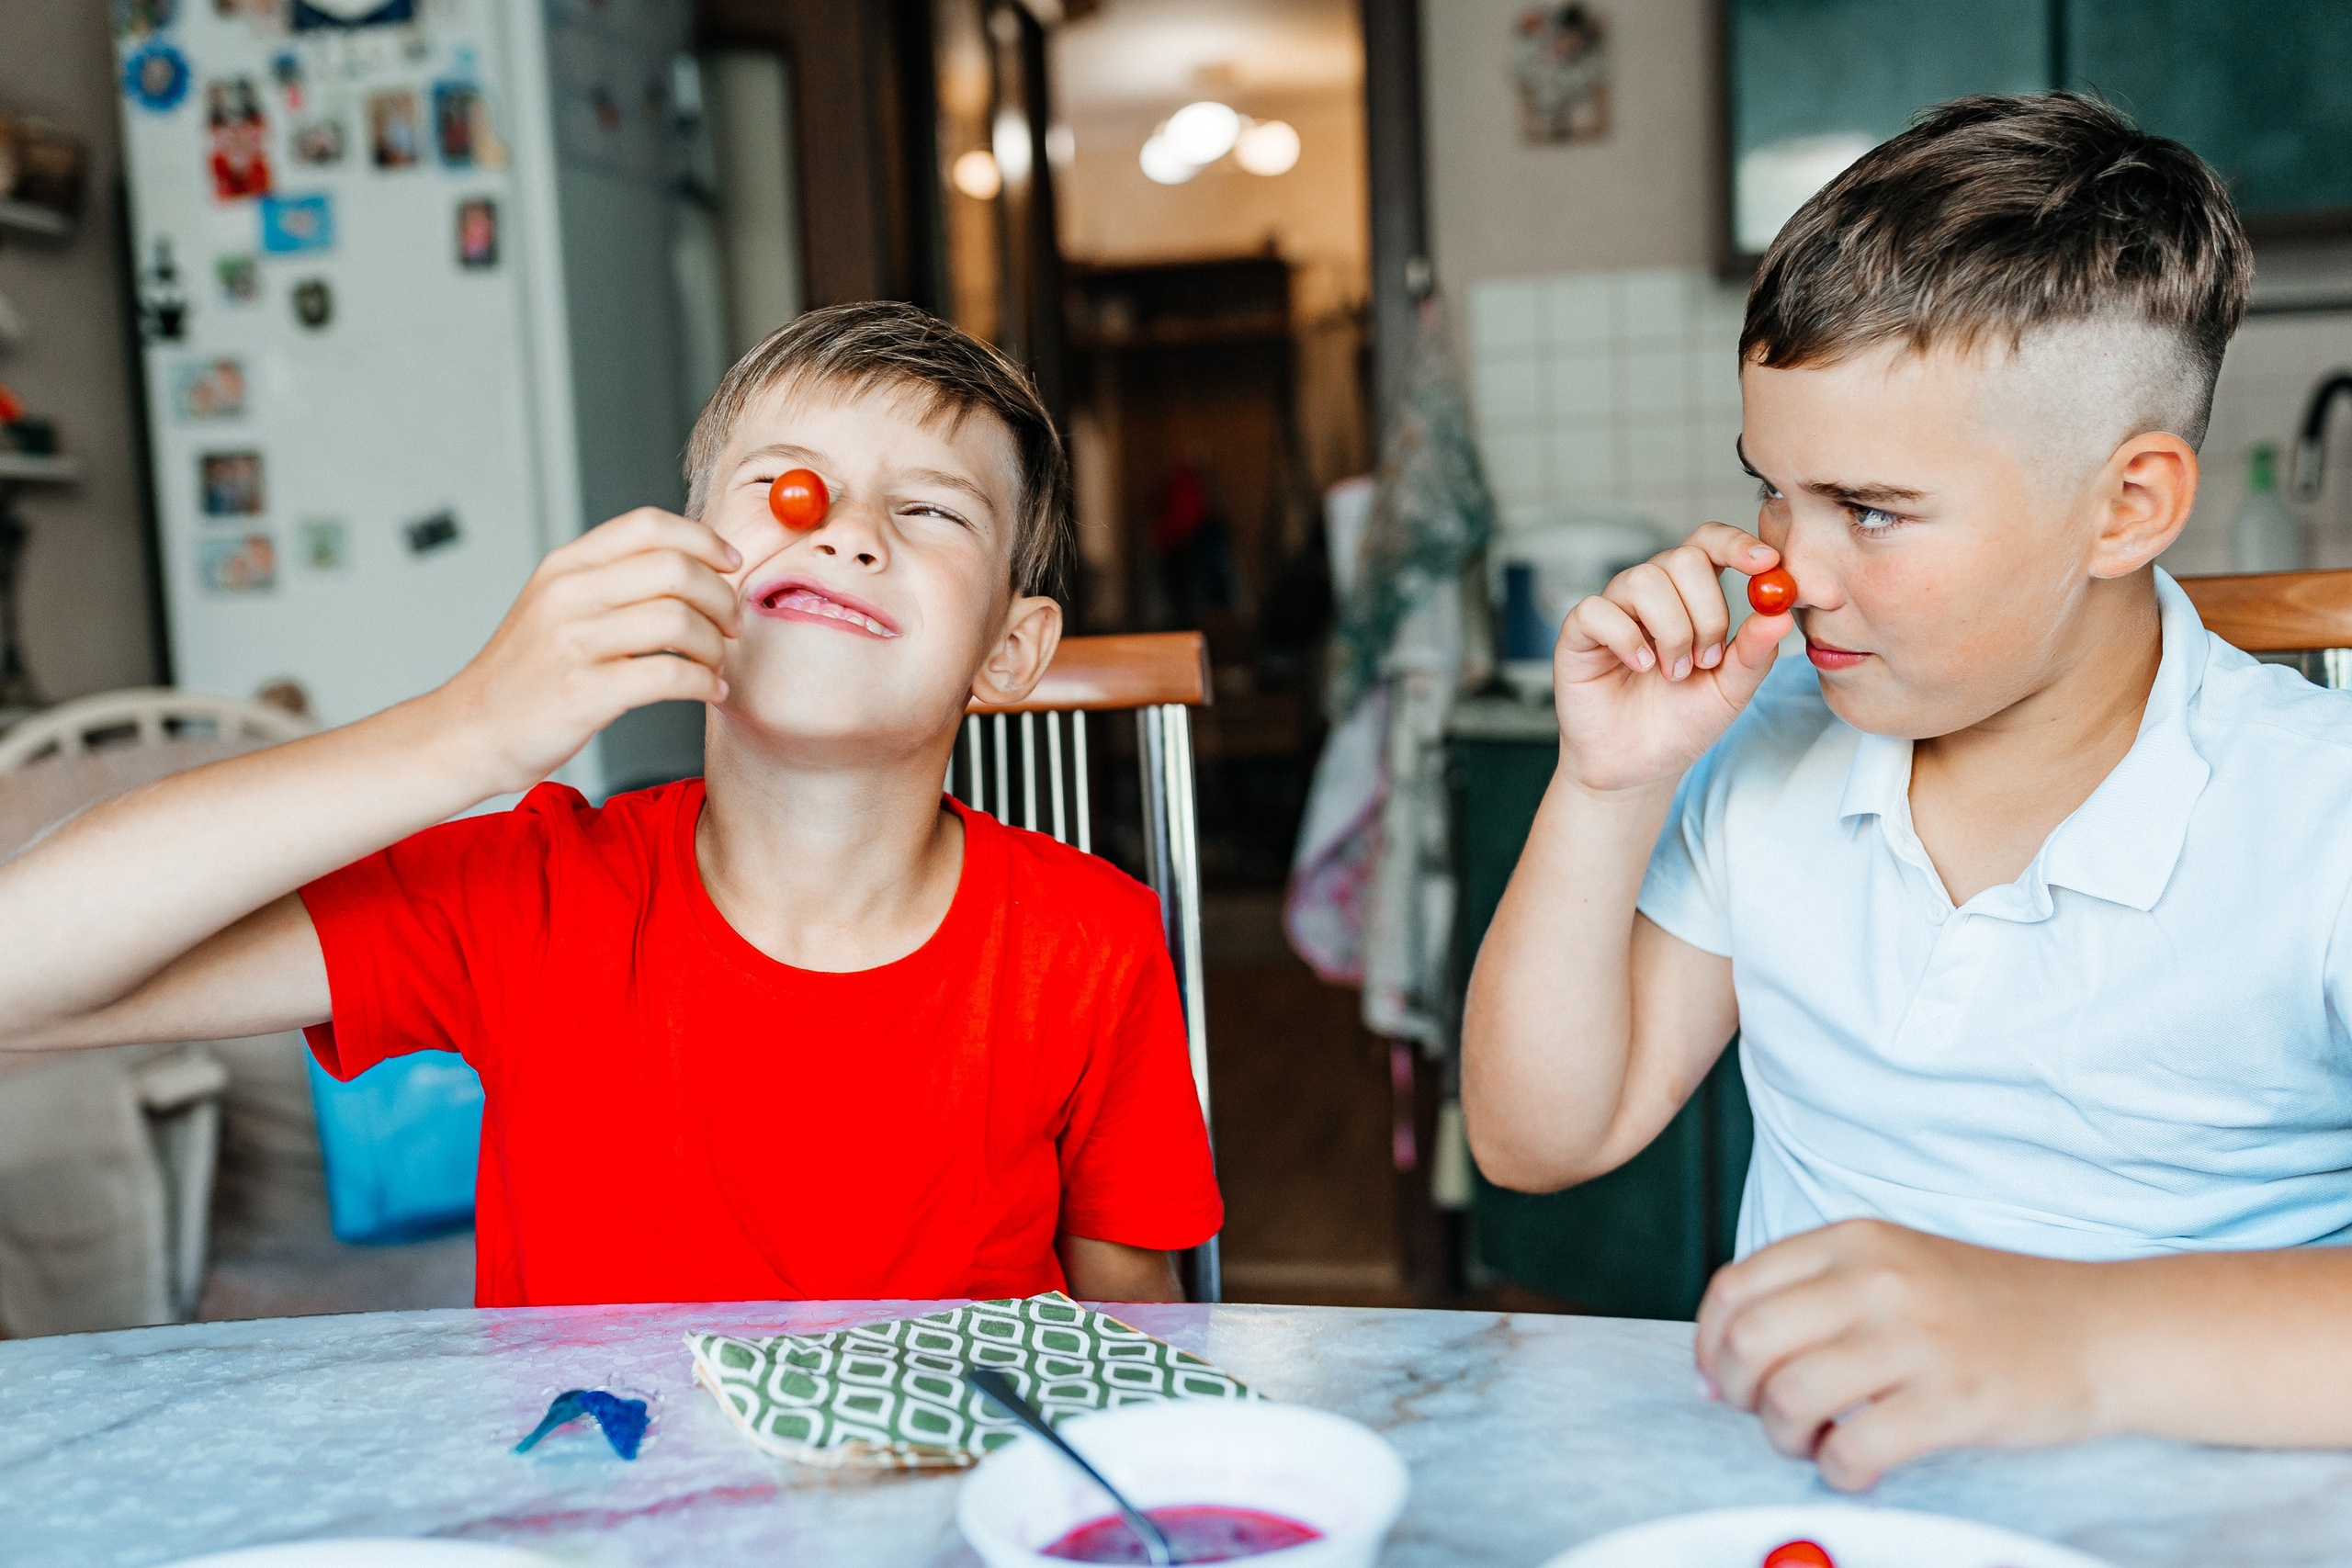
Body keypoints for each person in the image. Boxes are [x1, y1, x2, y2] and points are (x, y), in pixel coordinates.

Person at [1463, 92, 2352, 1489]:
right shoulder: (1766, 751)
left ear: (2127, 507)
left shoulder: (2319, 818)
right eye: (1774, 491)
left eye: (1870, 510)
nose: (1787, 574)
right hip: (1822, 1505)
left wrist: (2059, 1339)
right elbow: (1536, 1138)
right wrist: (1605, 784)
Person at [0, 301, 1221, 1307]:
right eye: (790, 485)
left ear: (1009, 650)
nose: (848, 532)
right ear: (686, 570)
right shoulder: (534, 896)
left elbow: (1134, 1326)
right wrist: (468, 730)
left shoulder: (1092, 945)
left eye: (930, 509)